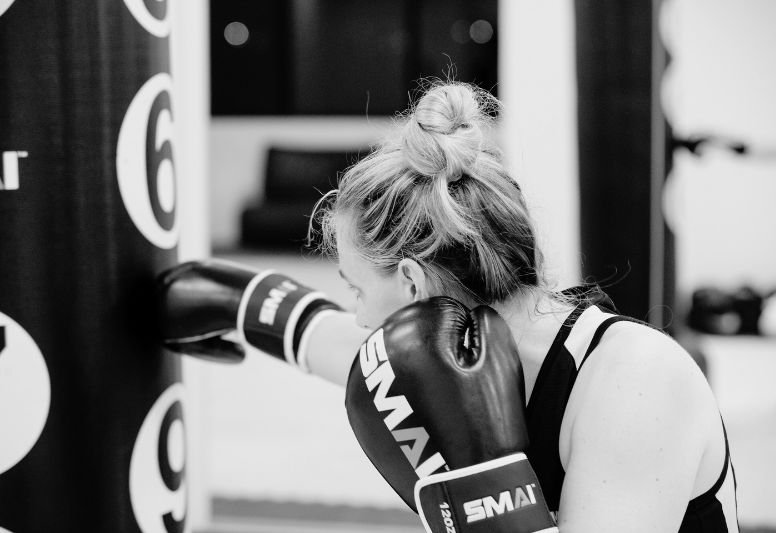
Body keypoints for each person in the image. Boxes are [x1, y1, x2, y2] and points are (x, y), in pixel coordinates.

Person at [158, 81, 739, 532]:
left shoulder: (634, 382)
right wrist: (224, 299)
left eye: (358, 290)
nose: (360, 317)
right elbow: (318, 334)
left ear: (411, 282)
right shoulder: (452, 361)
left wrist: (484, 490)